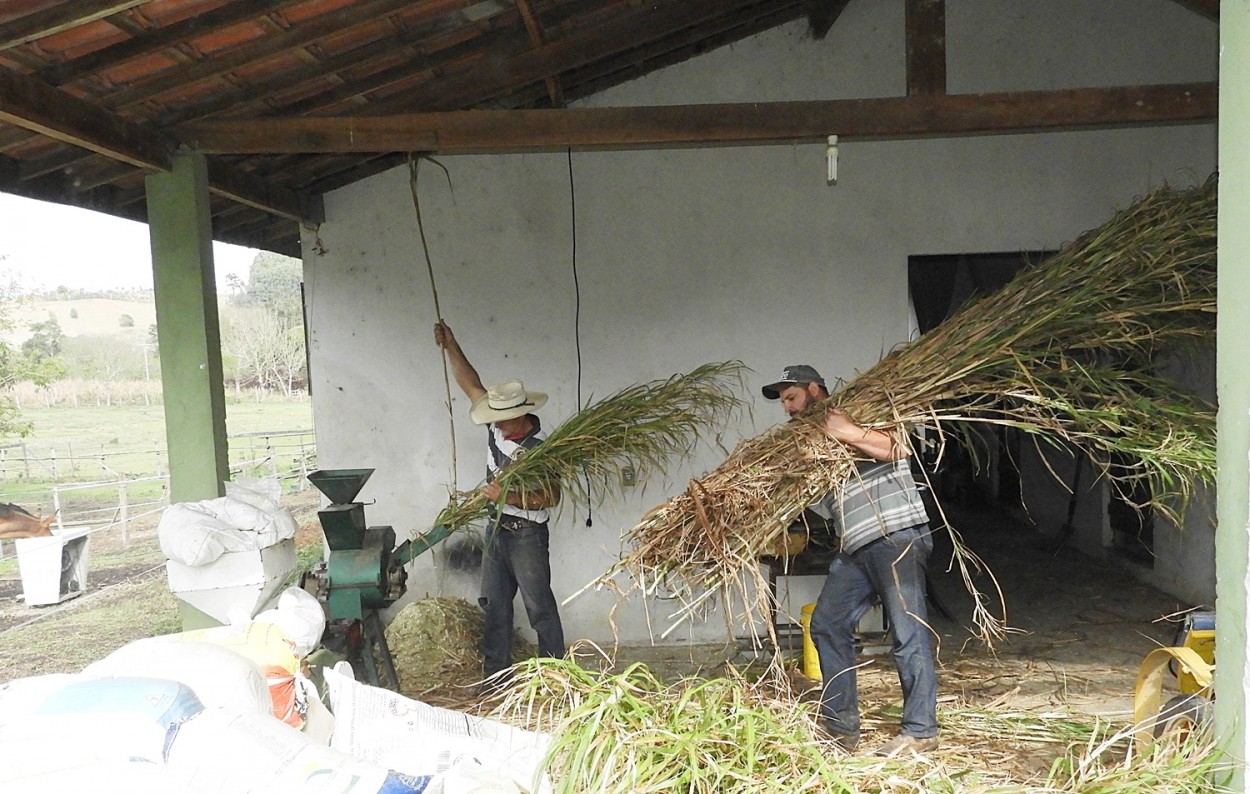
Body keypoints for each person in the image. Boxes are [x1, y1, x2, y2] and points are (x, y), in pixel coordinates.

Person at [762, 364, 938, 757]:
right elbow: (827, 504)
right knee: (826, 625)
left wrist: (847, 432)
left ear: (812, 389)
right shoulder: (812, 444)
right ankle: (841, 729)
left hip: (896, 536)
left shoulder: (859, 410)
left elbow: (897, 448)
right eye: (784, 402)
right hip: (856, 547)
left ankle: (921, 730)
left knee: (908, 633)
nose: (787, 408)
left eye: (791, 398)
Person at [434, 320, 566, 684]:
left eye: (505, 421)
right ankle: (495, 680)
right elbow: (470, 384)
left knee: (539, 607)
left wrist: (507, 495)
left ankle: (556, 676)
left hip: (526, 535)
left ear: (523, 415)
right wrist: (452, 343)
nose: (499, 426)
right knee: (494, 607)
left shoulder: (541, 451)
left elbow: (550, 498)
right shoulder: (496, 427)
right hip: (496, 532)